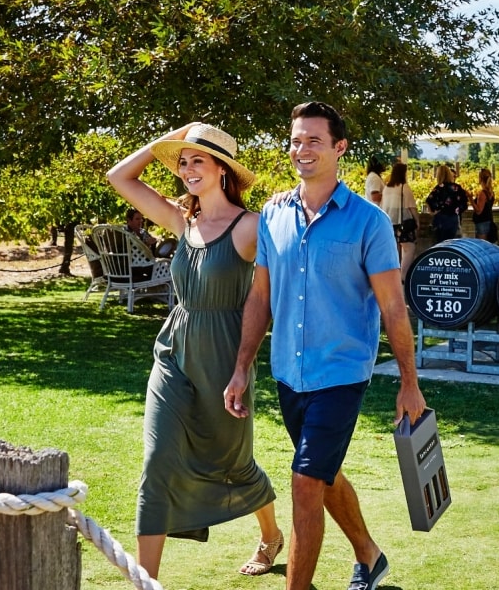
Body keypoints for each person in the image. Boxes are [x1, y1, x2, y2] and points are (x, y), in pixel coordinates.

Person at [230, 101, 427, 590]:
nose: (302, 149)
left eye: (314, 140)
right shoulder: (273, 215)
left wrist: (409, 382)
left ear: (340, 148)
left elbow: (393, 307)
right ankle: (369, 555)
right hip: (288, 373)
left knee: (304, 483)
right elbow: (260, 297)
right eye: (296, 140)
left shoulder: (368, 222)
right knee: (322, 473)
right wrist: (241, 367)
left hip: (341, 374)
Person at [103, 122, 283, 581]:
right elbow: (119, 177)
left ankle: (271, 535)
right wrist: (173, 137)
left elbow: (268, 298)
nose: (186, 169)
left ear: (223, 169)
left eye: (197, 160)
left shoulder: (251, 227)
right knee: (157, 463)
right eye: (182, 162)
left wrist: (243, 367)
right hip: (174, 353)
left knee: (232, 462)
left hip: (225, 357)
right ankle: (147, 582)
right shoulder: (182, 220)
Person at [381, 157, 418, 271]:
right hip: (404, 223)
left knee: (394, 251)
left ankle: (395, 274)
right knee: (409, 249)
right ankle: (403, 274)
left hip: (389, 223)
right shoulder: (404, 187)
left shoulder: (386, 188)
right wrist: (417, 221)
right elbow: (411, 206)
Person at [424, 164, 468, 242]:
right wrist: (457, 211)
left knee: (440, 243)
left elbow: (429, 201)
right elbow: (464, 203)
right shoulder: (457, 188)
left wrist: (432, 212)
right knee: (451, 243)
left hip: (440, 219)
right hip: (453, 219)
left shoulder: (438, 188)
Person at [470, 167, 498, 245]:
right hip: (489, 221)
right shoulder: (491, 192)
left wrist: (470, 199)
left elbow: (479, 211)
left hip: (482, 223)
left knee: (482, 246)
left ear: (480, 179)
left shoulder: (482, 193)